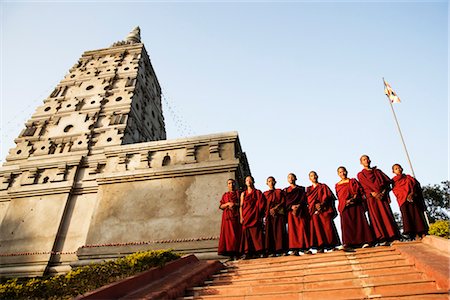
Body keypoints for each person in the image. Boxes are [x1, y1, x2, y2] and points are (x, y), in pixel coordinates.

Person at [357, 155, 400, 245]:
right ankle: (381, 238)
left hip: (382, 197)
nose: (366, 161)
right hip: (372, 199)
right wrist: (372, 193)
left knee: (386, 215)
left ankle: (392, 236)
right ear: (361, 162)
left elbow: (387, 183)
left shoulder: (378, 172)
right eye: (364, 159)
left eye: (367, 159)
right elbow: (363, 187)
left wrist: (383, 192)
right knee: (375, 217)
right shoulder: (361, 174)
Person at [335, 166, 374, 250]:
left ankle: (365, 241)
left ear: (346, 171)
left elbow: (359, 190)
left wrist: (354, 198)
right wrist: (345, 202)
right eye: (340, 172)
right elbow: (339, 197)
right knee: (347, 225)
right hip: (345, 206)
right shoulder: (337, 185)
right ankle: (348, 243)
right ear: (338, 174)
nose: (343, 173)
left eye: (344, 171)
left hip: (355, 204)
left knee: (359, 222)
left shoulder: (352, 181)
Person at [391, 164, 429, 240]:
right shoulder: (394, 181)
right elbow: (395, 190)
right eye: (396, 168)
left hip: (412, 199)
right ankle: (414, 235)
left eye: (399, 168)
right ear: (393, 171)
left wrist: (411, 193)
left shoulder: (409, 178)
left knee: (417, 215)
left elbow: (415, 186)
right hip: (403, 200)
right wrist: (405, 196)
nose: (398, 169)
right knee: (407, 216)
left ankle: (422, 232)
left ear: (402, 169)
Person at [307, 171, 341, 253]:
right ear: (309, 178)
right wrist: (315, 206)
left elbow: (329, 197)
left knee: (328, 227)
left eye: (315, 175)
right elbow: (308, 201)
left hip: (325, 210)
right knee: (317, 229)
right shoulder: (308, 189)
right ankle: (320, 246)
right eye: (311, 176)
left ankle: (332, 245)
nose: (314, 177)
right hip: (315, 212)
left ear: (317, 176)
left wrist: (322, 204)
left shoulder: (323, 186)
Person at [240, 175, 266, 259]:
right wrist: (241, 217)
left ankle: (259, 251)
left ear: (253, 181)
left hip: (255, 216)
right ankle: (247, 252)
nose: (248, 181)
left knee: (257, 234)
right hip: (246, 216)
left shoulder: (258, 192)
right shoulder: (243, 194)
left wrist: (258, 214)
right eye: (247, 180)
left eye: (250, 180)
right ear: (245, 182)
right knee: (247, 235)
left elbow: (261, 204)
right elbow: (241, 206)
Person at [284, 173, 310, 255]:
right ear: (287, 180)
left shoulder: (301, 189)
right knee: (293, 230)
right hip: (291, 212)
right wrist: (291, 207)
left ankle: (305, 247)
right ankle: (294, 249)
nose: (291, 179)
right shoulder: (285, 190)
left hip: (300, 211)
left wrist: (298, 206)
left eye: (292, 177)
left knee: (302, 228)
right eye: (289, 177)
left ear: (296, 178)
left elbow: (304, 199)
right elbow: (285, 202)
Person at [218, 179, 242, 260]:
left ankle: (237, 252)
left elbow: (242, 204)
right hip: (227, 218)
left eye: (232, 183)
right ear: (227, 185)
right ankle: (230, 253)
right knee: (228, 236)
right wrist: (227, 204)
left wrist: (234, 204)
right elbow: (221, 206)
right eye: (229, 183)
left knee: (236, 235)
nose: (231, 185)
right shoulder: (225, 195)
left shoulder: (239, 194)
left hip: (236, 216)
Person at [263, 176, 287, 256]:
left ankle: (282, 250)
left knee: (280, 232)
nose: (271, 182)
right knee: (270, 232)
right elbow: (263, 205)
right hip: (269, 215)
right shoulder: (265, 194)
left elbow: (283, 201)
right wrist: (269, 211)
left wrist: (276, 208)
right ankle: (272, 251)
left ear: (275, 182)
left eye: (272, 181)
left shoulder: (279, 191)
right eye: (269, 181)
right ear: (267, 183)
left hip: (279, 213)